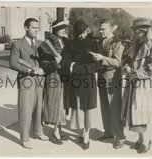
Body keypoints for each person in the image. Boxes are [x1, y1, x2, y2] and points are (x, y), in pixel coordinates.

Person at [60, 19, 105, 150]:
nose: (82, 35)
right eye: (80, 33)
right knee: (79, 107)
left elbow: (98, 64)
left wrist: (84, 69)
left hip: (88, 80)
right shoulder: (70, 44)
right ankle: (83, 131)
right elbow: (64, 60)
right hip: (75, 81)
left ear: (87, 30)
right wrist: (73, 65)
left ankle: (87, 134)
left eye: (84, 32)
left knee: (88, 108)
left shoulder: (94, 44)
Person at [121, 18, 152, 154]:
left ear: (144, 29)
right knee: (135, 112)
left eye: (136, 29)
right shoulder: (135, 43)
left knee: (142, 113)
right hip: (133, 83)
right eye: (134, 29)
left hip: (145, 85)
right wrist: (126, 67)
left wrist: (138, 73)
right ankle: (140, 140)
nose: (134, 31)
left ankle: (146, 141)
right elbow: (126, 58)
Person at [9, 18, 48, 149]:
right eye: (33, 27)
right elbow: (13, 63)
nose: (36, 30)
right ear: (26, 28)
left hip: (40, 80)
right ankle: (24, 138)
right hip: (26, 79)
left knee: (39, 107)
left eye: (38, 27)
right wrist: (29, 70)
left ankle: (38, 132)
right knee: (25, 108)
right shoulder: (18, 44)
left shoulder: (41, 44)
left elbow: (46, 61)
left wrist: (44, 68)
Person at [90, 19, 126, 149]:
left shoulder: (117, 43)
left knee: (114, 107)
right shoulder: (101, 42)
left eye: (103, 29)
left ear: (111, 29)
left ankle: (120, 137)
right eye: (100, 29)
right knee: (105, 106)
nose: (100, 31)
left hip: (112, 79)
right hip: (101, 78)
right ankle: (109, 132)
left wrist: (102, 58)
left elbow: (117, 62)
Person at [38, 20, 68, 145]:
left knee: (62, 104)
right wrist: (56, 63)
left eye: (64, 28)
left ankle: (59, 129)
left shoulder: (65, 41)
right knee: (55, 102)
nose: (64, 30)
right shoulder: (47, 44)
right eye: (61, 28)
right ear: (55, 29)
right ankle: (55, 132)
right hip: (53, 75)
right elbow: (43, 63)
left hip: (64, 75)